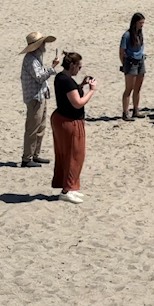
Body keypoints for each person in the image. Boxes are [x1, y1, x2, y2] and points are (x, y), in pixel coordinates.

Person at [51, 52, 97, 204]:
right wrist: (91, 90)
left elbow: (69, 94)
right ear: (72, 65)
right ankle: (66, 190)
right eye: (79, 67)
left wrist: (81, 85)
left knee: (68, 155)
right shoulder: (67, 82)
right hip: (70, 122)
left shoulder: (61, 77)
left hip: (61, 119)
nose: (79, 70)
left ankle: (69, 188)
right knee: (74, 156)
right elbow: (77, 103)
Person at [19, 31, 60, 168]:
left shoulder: (36, 57)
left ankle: (35, 155)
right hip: (34, 98)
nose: (44, 46)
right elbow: (39, 77)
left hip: (40, 96)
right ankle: (27, 158)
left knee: (41, 127)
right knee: (32, 128)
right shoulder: (30, 60)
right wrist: (52, 68)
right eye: (42, 43)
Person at [120, 12, 147, 121]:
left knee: (138, 88)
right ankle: (125, 112)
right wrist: (124, 64)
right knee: (129, 88)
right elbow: (122, 52)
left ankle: (136, 110)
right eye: (140, 23)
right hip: (131, 62)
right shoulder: (127, 35)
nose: (142, 25)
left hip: (140, 61)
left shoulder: (140, 33)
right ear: (135, 22)